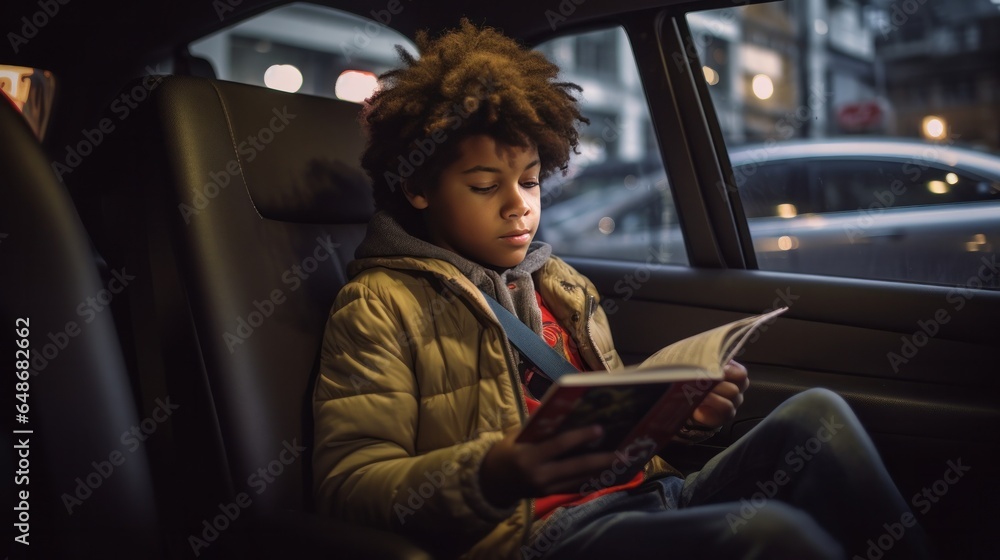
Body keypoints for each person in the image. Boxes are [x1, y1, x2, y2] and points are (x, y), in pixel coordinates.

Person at [311, 19, 931, 560]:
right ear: (418, 187)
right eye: (483, 186)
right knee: (770, 535)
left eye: (529, 182)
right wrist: (493, 471)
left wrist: (682, 416)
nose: (517, 208)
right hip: (538, 537)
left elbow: (611, 431)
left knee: (816, 415)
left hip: (646, 494)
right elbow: (348, 486)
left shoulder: (561, 286)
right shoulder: (379, 305)